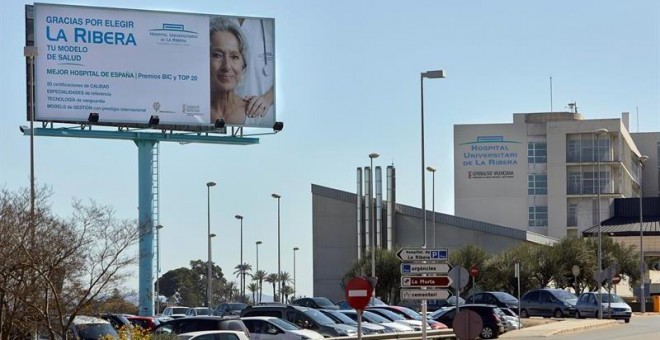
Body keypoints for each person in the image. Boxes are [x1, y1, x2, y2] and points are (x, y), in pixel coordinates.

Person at [232, 17, 275, 128]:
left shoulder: (268, 24)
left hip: (263, 119)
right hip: (225, 118)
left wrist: (268, 98)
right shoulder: (214, 19)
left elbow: (289, 73)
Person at [209, 17, 249, 125]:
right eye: (217, 55)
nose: (226, 66)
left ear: (243, 65)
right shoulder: (192, 113)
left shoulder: (257, 115)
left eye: (234, 56)